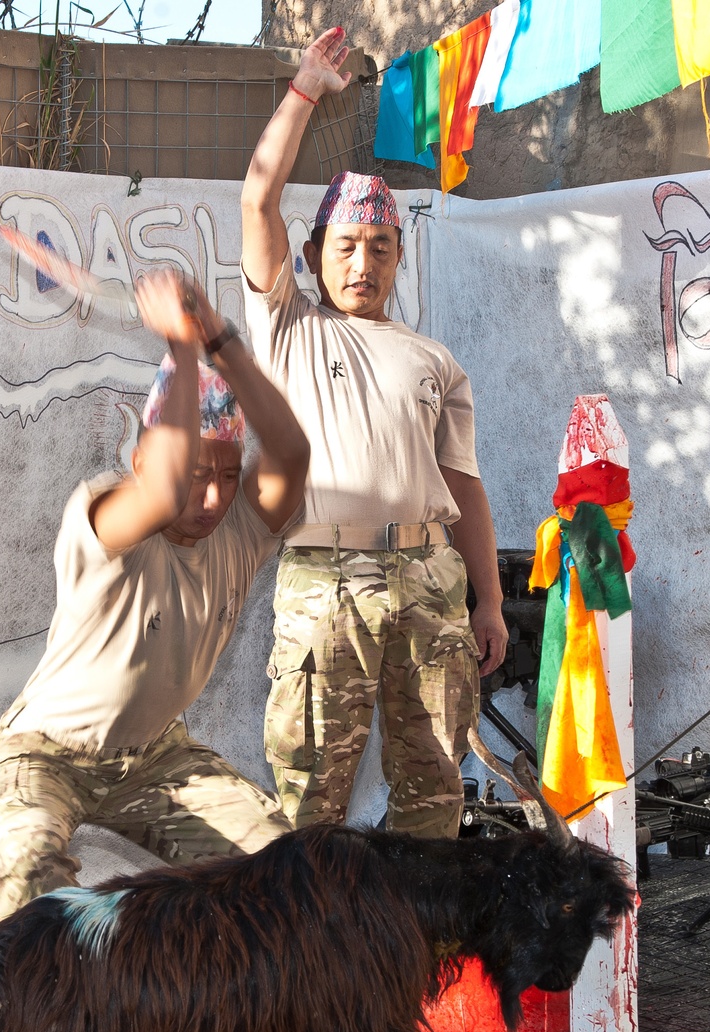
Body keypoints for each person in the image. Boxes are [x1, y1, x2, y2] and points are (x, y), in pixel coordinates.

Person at [0, 270, 310, 922]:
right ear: (142, 462)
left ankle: (228, 1016)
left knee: (284, 880)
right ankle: (22, 1013)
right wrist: (182, 348)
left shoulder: (240, 531)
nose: (212, 498)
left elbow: (292, 451)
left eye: (226, 477)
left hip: (156, 758)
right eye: (194, 475)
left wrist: (219, 338)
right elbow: (160, 490)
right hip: (42, 755)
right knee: (30, 883)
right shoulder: (108, 518)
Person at [239, 27, 506, 838]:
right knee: (309, 796)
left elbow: (464, 486)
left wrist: (488, 600)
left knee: (434, 791)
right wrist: (305, 92)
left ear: (399, 259)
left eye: (381, 248)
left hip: (431, 576)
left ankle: (408, 955)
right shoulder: (290, 328)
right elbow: (257, 197)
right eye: (348, 247)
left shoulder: (435, 360)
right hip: (326, 578)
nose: (364, 263)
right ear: (315, 255)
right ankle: (305, 959)